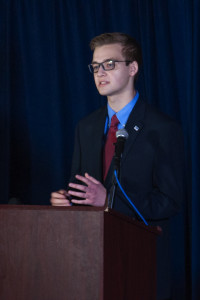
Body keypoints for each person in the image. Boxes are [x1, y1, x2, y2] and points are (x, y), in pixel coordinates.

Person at [50, 32, 185, 300]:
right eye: (95, 66)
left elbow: (170, 201)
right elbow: (81, 188)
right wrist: (67, 201)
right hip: (88, 258)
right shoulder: (86, 127)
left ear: (132, 68)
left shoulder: (162, 128)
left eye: (109, 64)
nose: (100, 72)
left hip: (138, 259)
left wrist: (110, 201)